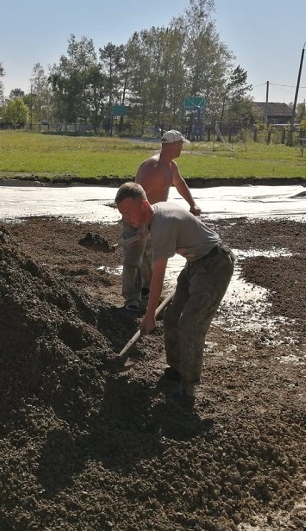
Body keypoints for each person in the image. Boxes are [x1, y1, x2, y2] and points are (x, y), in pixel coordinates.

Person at [115, 181, 235, 407]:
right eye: (123, 214)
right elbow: (152, 223)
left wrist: (149, 315)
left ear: (143, 204)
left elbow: (157, 279)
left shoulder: (163, 225)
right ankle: (177, 368)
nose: (127, 218)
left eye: (129, 212)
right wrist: (143, 228)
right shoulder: (154, 212)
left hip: (215, 264)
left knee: (189, 325)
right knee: (171, 319)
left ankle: (188, 391)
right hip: (195, 263)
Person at [121, 129, 201, 312]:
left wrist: (192, 204)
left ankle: (145, 291)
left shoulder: (171, 167)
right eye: (180, 144)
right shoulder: (151, 168)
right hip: (135, 218)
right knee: (133, 258)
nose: (181, 148)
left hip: (153, 219)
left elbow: (180, 184)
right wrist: (140, 224)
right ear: (173, 145)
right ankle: (131, 298)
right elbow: (138, 199)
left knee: (151, 256)